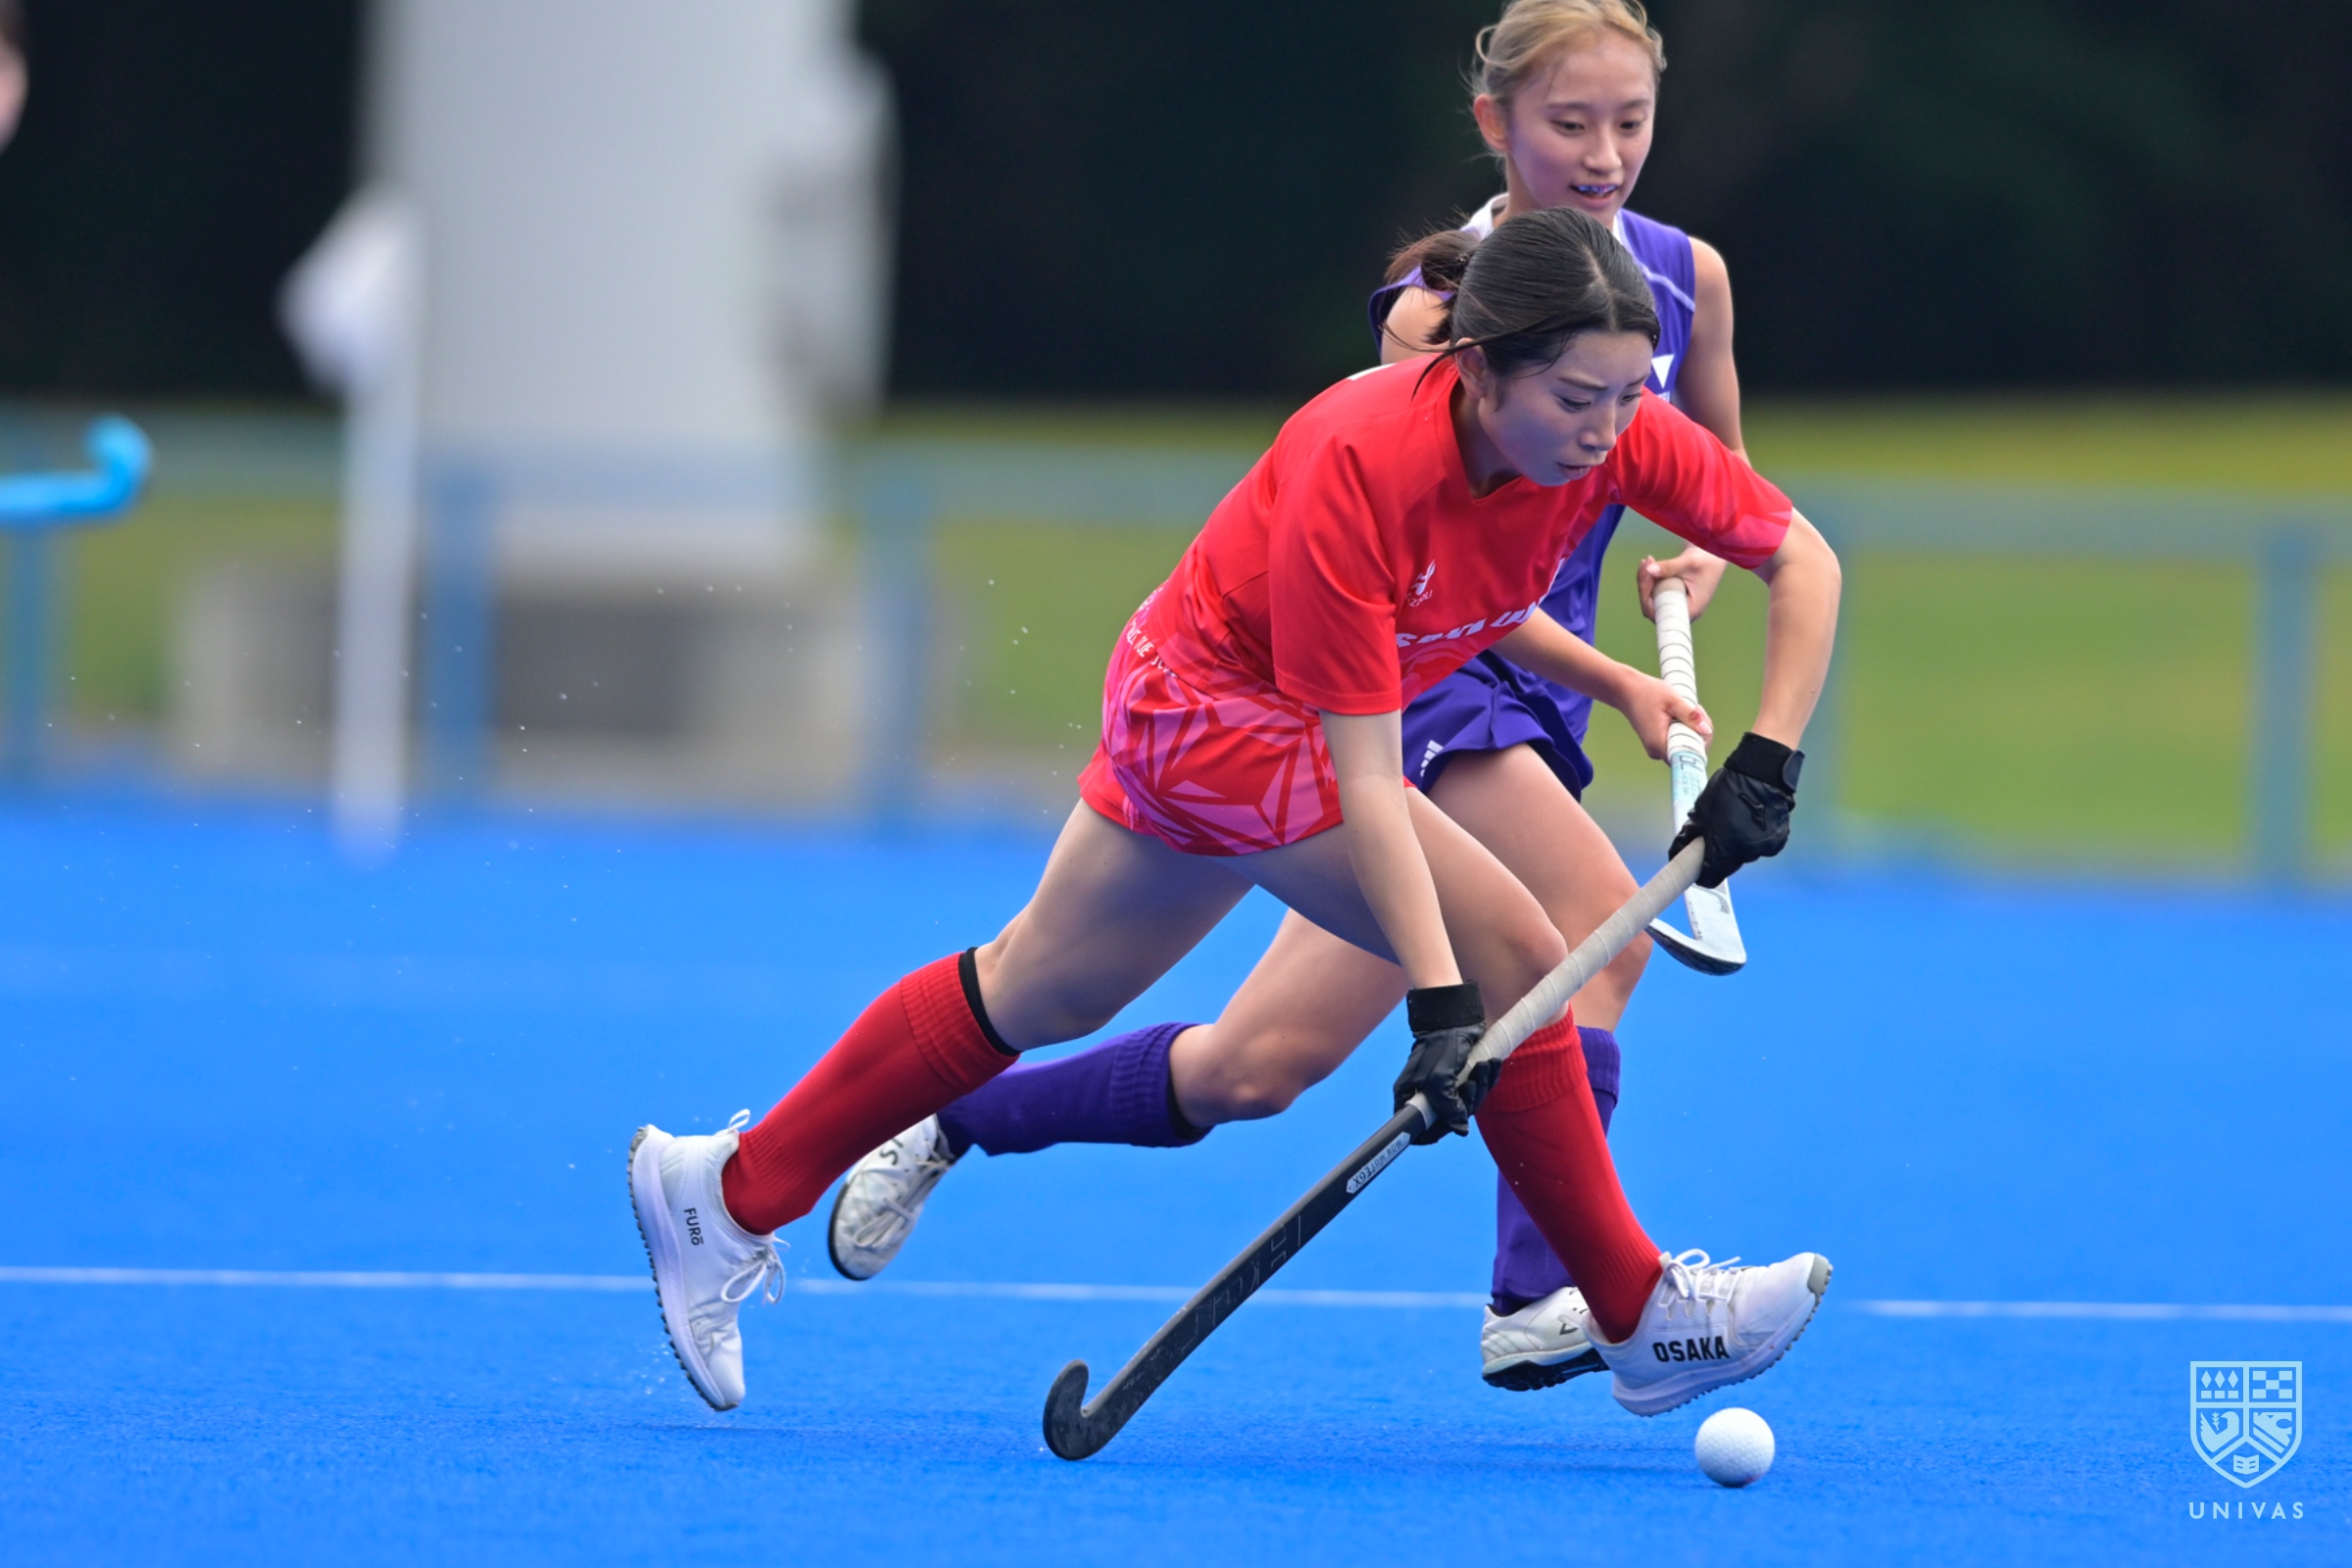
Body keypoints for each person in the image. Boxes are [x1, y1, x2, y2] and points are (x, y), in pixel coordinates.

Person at [629, 205, 1842, 1427]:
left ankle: (723, 1192)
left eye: (1631, 395)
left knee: (1037, 990)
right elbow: (1367, 777)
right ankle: (1636, 1314)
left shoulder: (1609, 435)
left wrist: (1767, 762)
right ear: (1478, 370)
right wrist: (1440, 1003)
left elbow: (1802, 560)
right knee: (1519, 951)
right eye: (1580, 398)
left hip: (1241, 703)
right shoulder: (1358, 459)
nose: (1610, 429)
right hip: (1215, 711)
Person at [829, 0, 1755, 1395]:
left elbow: (1723, 485)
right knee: (1588, 933)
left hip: (1537, 704)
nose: (1604, 153)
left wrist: (1698, 568)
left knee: (1255, 1068)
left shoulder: (1686, 279)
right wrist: (1607, 671)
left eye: (1631, 121)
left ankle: (962, 1115)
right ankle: (1548, 1293)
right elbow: (1424, 581)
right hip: (1420, 691)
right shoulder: (1446, 310)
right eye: (1570, 122)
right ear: (1497, 125)